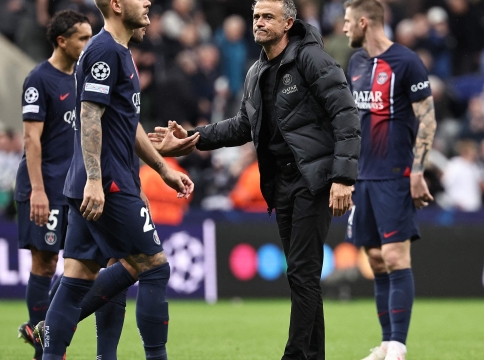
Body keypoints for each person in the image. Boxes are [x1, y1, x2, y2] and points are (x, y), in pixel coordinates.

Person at [149, 0, 360, 358]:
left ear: (288, 22)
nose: (259, 23)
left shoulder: (313, 60)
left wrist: (343, 177)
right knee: (302, 276)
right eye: (256, 17)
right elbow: (243, 126)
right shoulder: (256, 71)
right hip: (282, 185)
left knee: (302, 273)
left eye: (267, 17)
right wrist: (192, 137)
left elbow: (346, 115)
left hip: (314, 178)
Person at [33, 0, 197, 359]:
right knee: (153, 266)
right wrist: (96, 179)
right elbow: (89, 114)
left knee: (78, 278)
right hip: (108, 182)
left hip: (90, 181)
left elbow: (126, 121)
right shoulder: (106, 50)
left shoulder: (118, 51)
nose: (149, 2)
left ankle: (49, 344)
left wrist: (163, 168)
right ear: (118, 5)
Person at [341, 1, 436, 359]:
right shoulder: (356, 64)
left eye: (349, 22)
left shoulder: (406, 62)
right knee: (377, 259)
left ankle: (398, 346)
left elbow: (427, 120)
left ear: (364, 22)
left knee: (396, 257)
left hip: (395, 176)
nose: (345, 27)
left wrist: (418, 170)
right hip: (362, 177)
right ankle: (385, 343)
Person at [13, 10, 92, 360]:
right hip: (43, 186)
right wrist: (38, 190)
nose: (88, 44)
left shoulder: (82, 79)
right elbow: (32, 140)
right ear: (62, 41)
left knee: (84, 261)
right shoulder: (38, 79)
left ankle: (41, 329)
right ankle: (40, 340)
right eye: (82, 38)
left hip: (74, 187)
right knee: (44, 264)